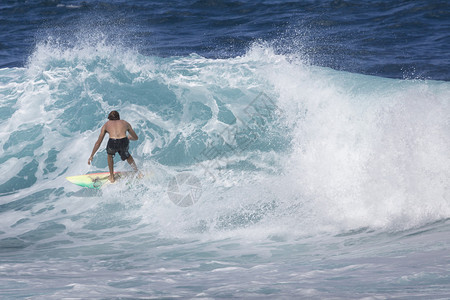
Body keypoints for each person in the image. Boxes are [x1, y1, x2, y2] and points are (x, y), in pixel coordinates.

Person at [88, 110, 139, 183]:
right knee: (127, 156)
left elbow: (98, 142)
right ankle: (137, 172)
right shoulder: (125, 123)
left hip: (113, 142)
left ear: (109, 118)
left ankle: (111, 177)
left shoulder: (106, 125)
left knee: (110, 155)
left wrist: (91, 155)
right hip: (124, 141)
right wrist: (130, 138)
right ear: (118, 117)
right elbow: (136, 137)